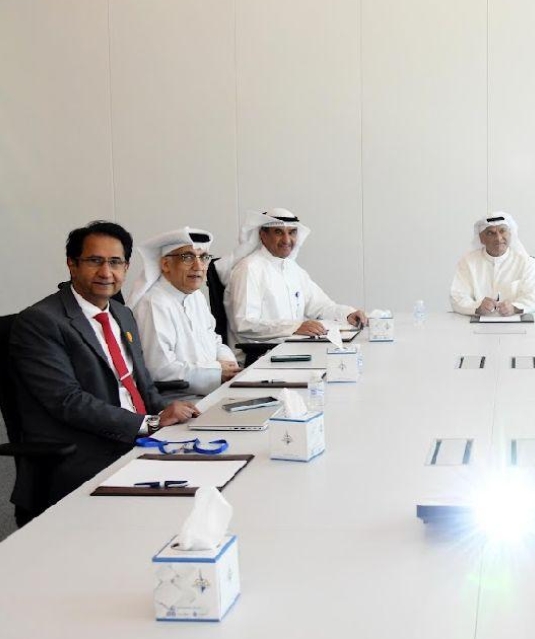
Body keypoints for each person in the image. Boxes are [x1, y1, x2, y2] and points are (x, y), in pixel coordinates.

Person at [9, 221, 200, 525]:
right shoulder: (40, 322)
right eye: (94, 261)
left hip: (137, 437)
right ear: (72, 264)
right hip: (87, 450)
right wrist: (148, 423)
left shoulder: (121, 313)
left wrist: (173, 413)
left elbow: (142, 387)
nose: (106, 272)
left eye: (115, 262)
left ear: (126, 267)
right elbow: (68, 402)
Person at [224, 208, 367, 342]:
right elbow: (244, 323)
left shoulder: (292, 269)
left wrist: (348, 314)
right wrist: (294, 327)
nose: (287, 240)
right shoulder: (249, 268)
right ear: (263, 235)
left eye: (292, 232)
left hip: (292, 347)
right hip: (259, 354)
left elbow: (321, 306)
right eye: (279, 232)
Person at [128, 227, 239, 398]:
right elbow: (159, 370)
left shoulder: (196, 296)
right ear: (166, 264)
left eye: (204, 257)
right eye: (187, 257)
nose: (198, 266)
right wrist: (217, 372)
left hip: (214, 390)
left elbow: (215, 341)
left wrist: (228, 364)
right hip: (178, 400)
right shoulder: (153, 303)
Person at [450, 211, 535, 316]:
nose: (498, 238)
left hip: (515, 322)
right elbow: (457, 297)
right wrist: (477, 307)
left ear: (510, 234)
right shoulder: (468, 262)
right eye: (491, 233)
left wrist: (515, 308)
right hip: (477, 322)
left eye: (502, 231)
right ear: (482, 238)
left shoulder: (526, 262)